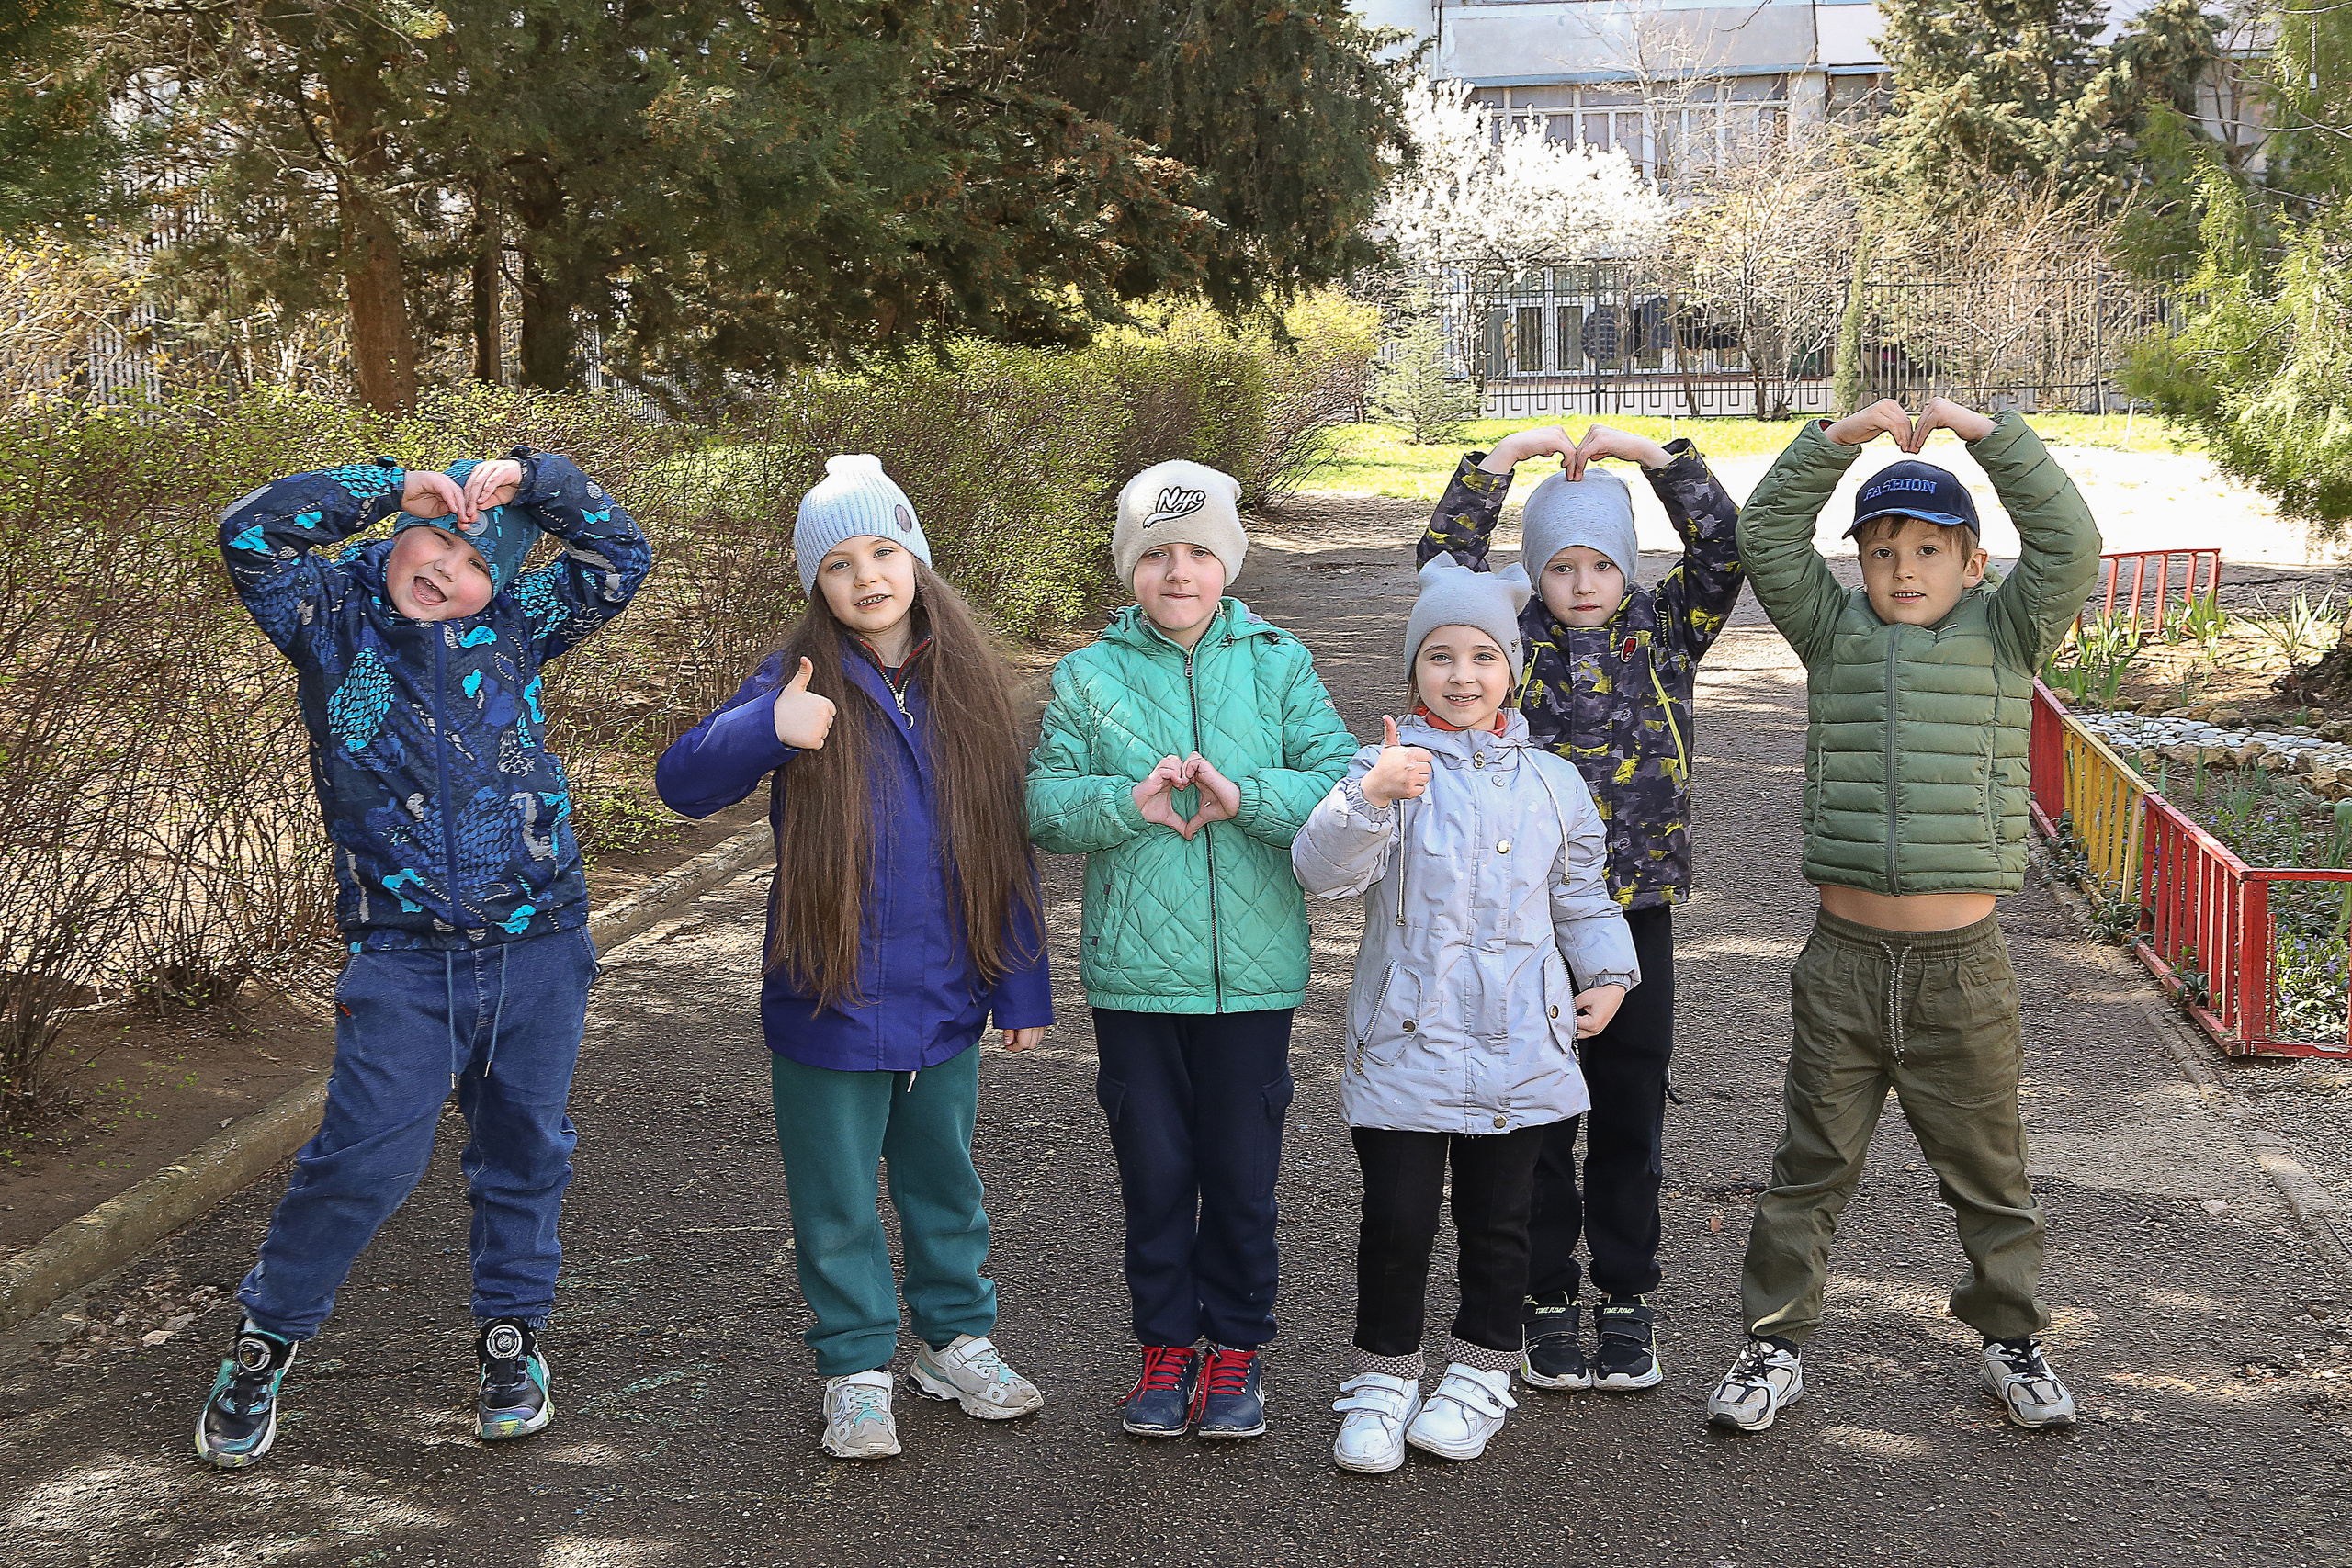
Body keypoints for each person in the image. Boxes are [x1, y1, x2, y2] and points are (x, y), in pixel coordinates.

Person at [202, 448, 652, 1467]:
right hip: (401, 959)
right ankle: (266, 1340)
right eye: (436, 538)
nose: (448, 569)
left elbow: (622, 552)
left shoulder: (520, 626)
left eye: (474, 557)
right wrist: (392, 484)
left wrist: (539, 481)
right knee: (362, 1159)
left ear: (504, 582)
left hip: (537, 942)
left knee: (526, 1147)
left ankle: (510, 1337)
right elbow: (250, 532)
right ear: (398, 533)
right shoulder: (328, 615)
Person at [1705, 397, 2100, 1434]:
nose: (1904, 570)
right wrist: (1834, 443)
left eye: (1930, 549)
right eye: (1881, 552)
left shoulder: (2008, 636)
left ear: (1973, 563)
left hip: (1959, 969)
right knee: (1809, 1166)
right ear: (1858, 567)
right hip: (1840, 959)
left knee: (1988, 1168)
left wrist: (1988, 434)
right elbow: (1764, 535)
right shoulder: (1832, 635)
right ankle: (1772, 1344)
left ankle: (2010, 1337)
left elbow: (2068, 542)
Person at [654, 455, 1053, 1461]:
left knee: (944, 1184)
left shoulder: (964, 685)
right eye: (838, 562)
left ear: (916, 557)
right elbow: (683, 785)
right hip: (826, 996)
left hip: (945, 997)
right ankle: (855, 1368)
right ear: (814, 585)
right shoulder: (794, 682)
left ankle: (954, 1340)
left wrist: (1019, 980)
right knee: (833, 1199)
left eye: (884, 550)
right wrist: (766, 728)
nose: (866, 576)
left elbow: (1000, 849)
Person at [1025, 459, 1356, 1440]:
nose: (1178, 573)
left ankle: (1238, 1353)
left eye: (1198, 553)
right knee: (1157, 1176)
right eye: (1156, 555)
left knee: (1243, 1179)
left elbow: (1343, 779)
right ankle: (1165, 1350)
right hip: (1136, 986)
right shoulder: (1088, 676)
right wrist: (1117, 807)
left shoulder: (1275, 661)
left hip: (1251, 985)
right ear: (1129, 568)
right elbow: (1043, 803)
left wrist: (1244, 795)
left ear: (1228, 564)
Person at [1416, 423, 1744, 1393]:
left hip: (1637, 911)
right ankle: (1546, 1292)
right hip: (1529, 923)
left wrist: (1659, 461)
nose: (1585, 583)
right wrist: (1495, 465)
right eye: (1561, 566)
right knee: (1540, 1117)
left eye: (1603, 563)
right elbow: (1444, 573)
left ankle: (1628, 1295)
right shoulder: (1510, 639)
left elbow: (1725, 550)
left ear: (1627, 570)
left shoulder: (1665, 627)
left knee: (1630, 1114)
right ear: (1535, 577)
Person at [1292, 557, 1639, 1471]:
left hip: (1522, 1043)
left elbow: (1582, 897)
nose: (1461, 676)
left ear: (1510, 674)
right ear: (1412, 675)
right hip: (1406, 1038)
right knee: (1397, 1221)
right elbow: (1322, 875)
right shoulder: (1384, 770)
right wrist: (1369, 799)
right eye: (1439, 658)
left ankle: (1482, 1368)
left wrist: (1605, 971)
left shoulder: (1554, 784)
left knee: (1501, 1223)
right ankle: (1381, 1376)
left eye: (1483, 657)